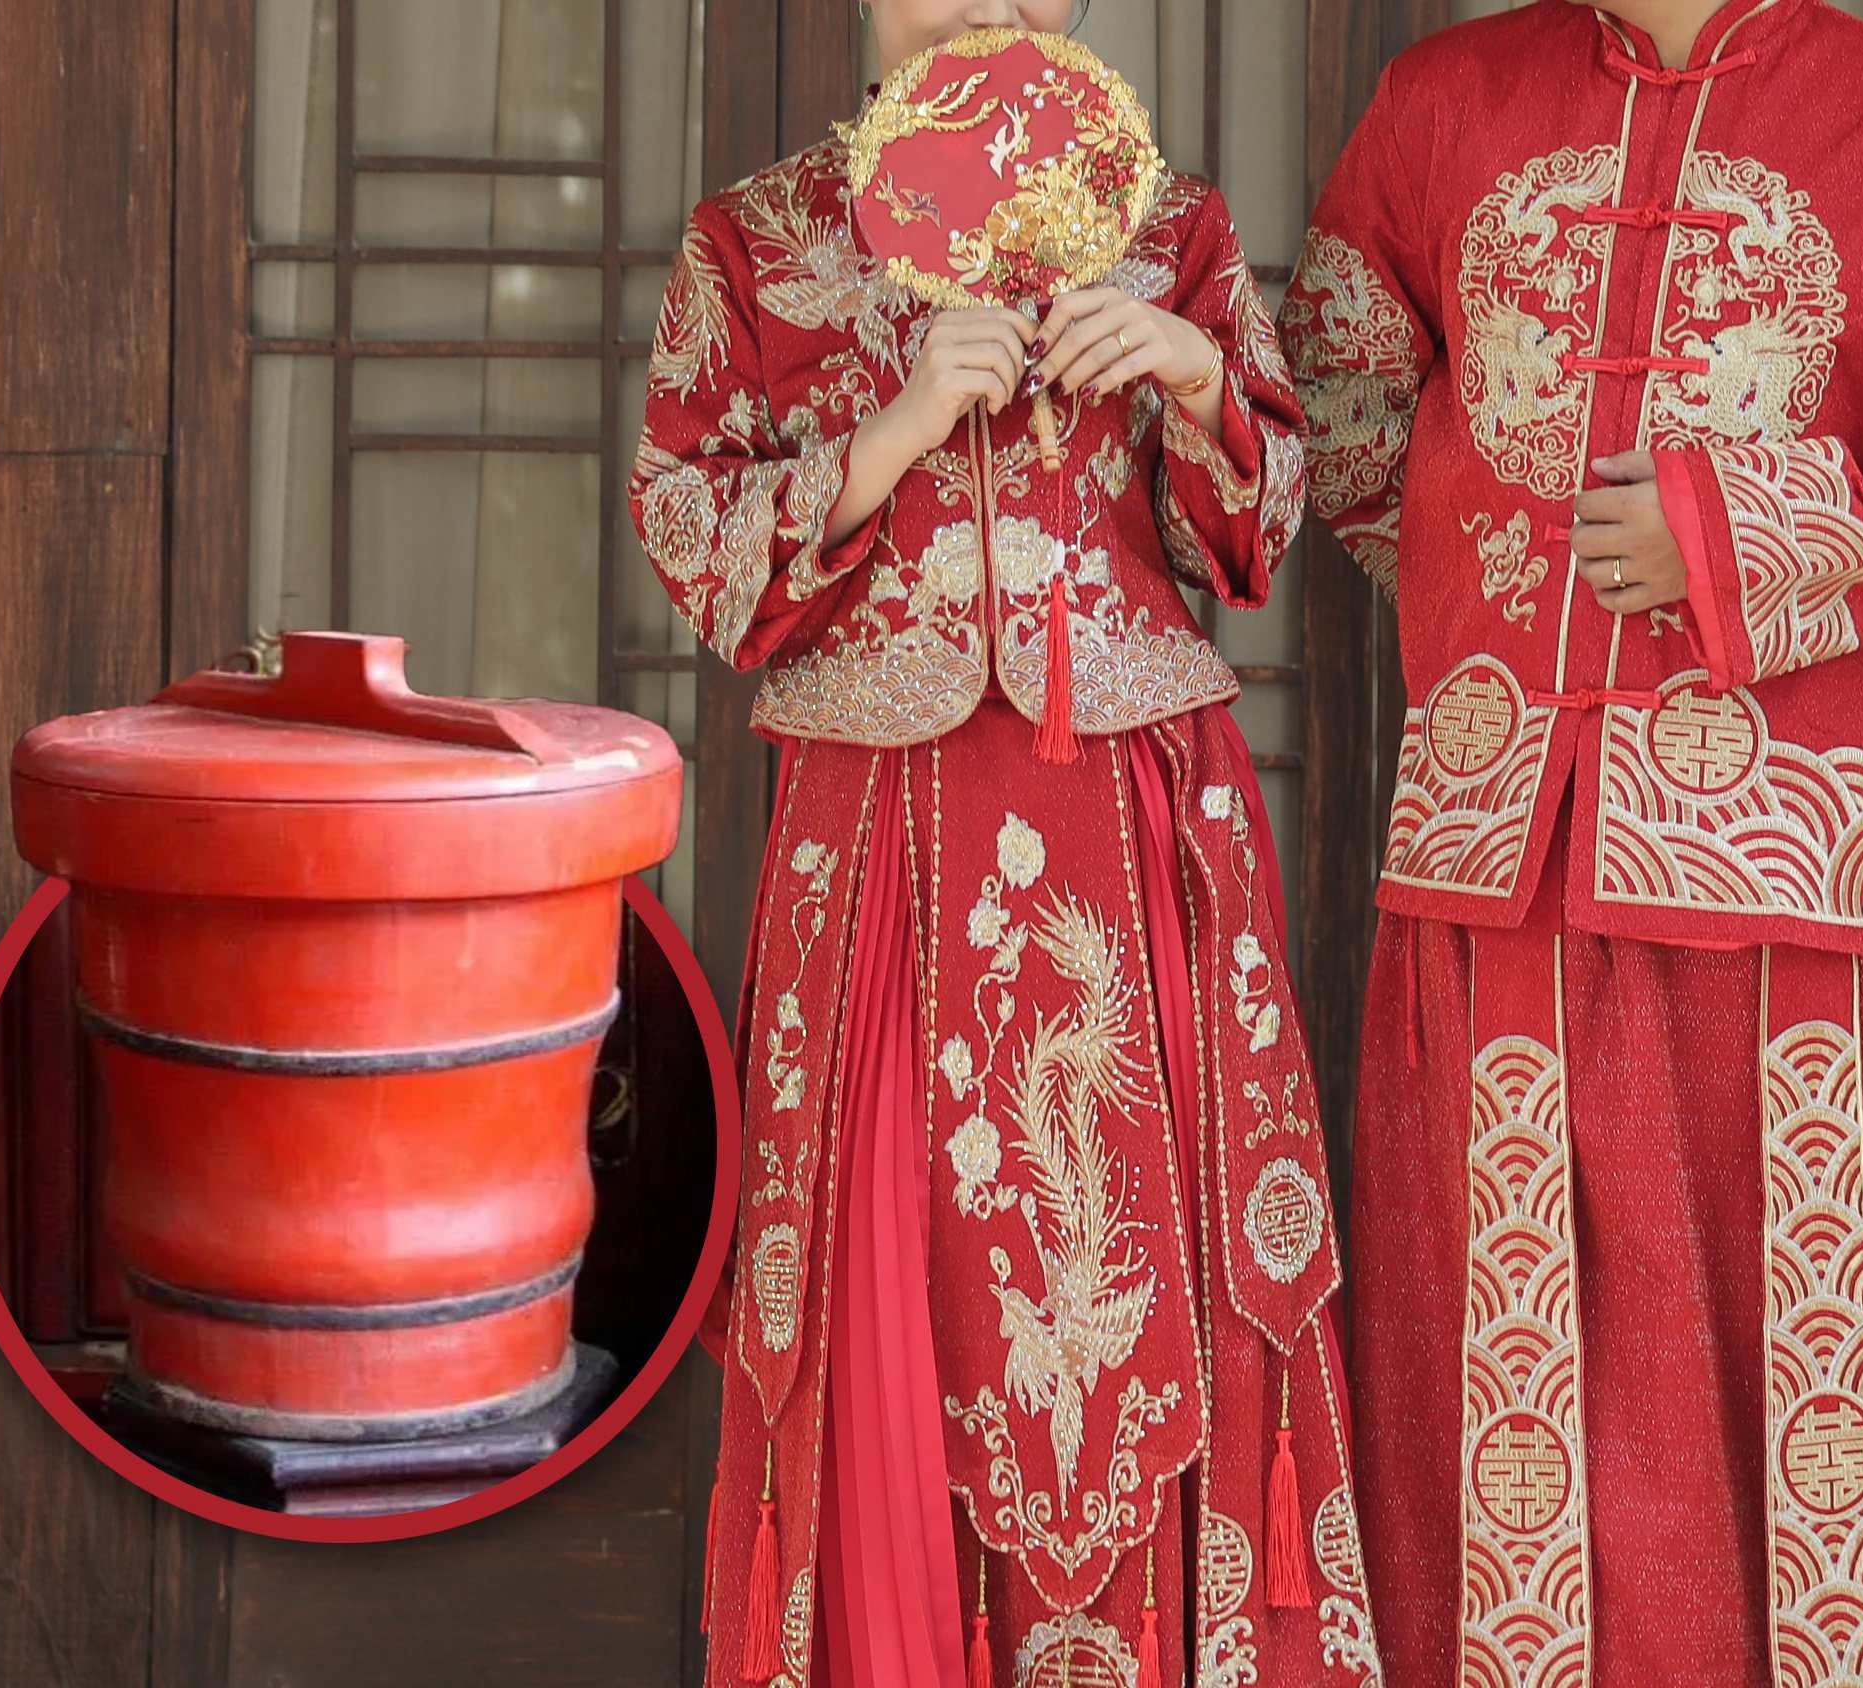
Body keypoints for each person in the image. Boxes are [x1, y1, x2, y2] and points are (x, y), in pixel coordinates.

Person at [1281, 1, 1863, 1685]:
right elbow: (1340, 419)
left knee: (1779, 1392)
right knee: (1491, 1386)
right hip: (1491, 855)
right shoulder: (1441, 105)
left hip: (1788, 874)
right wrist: (1504, 626)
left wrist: (1740, 542)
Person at [632, 6, 1379, 1686]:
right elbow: (685, 519)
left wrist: (1192, 368)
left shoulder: (1166, 218)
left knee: (1147, 1262)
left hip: (1129, 814)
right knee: (891, 1278)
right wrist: (891, 430)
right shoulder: (757, 236)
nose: (984, 8)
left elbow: (1257, 533)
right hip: (880, 827)